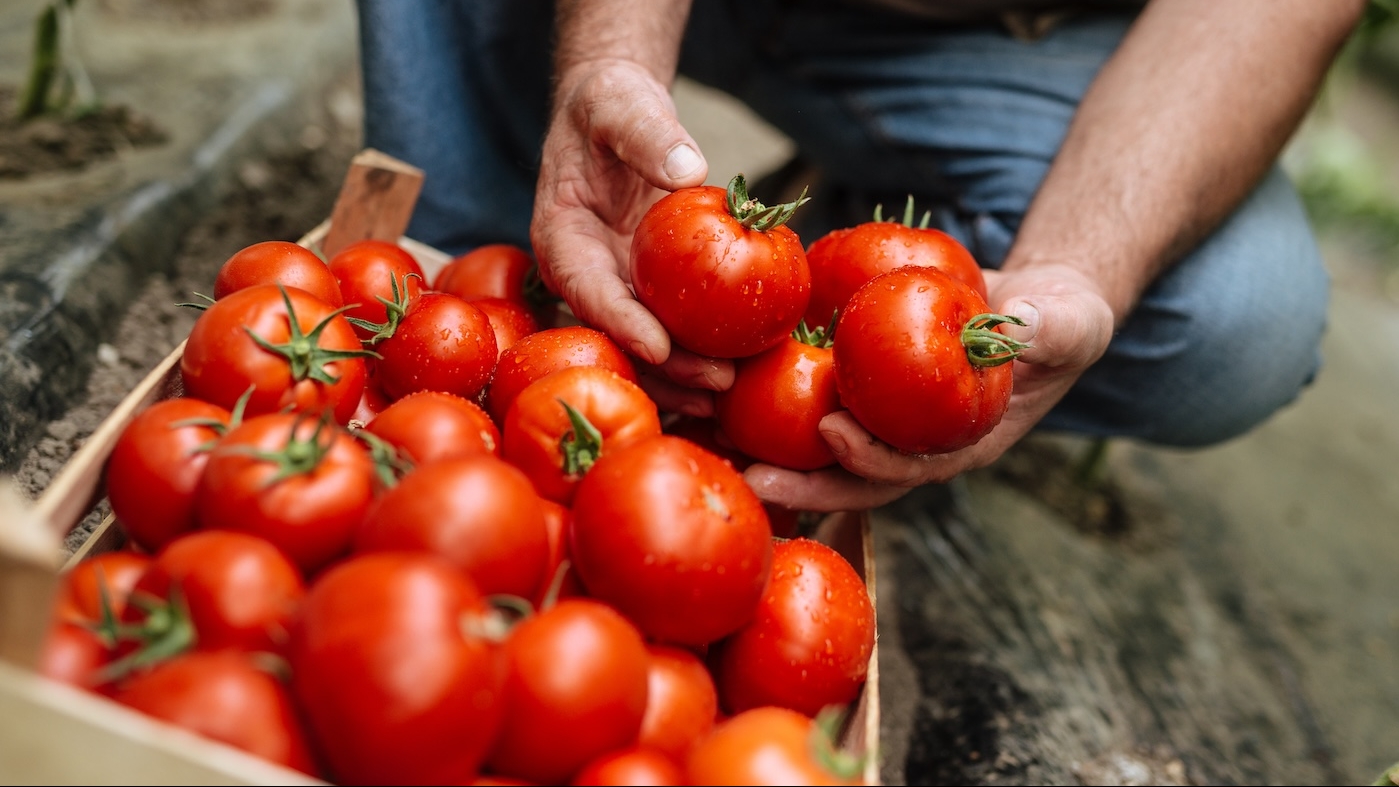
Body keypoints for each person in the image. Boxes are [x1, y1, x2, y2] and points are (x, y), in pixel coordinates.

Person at [353, 0, 1367, 512]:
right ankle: (486, 270)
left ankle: (847, 266)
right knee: (461, 296)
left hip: (995, 33)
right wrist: (610, 56)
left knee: (1236, 327)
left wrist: (1080, 266)